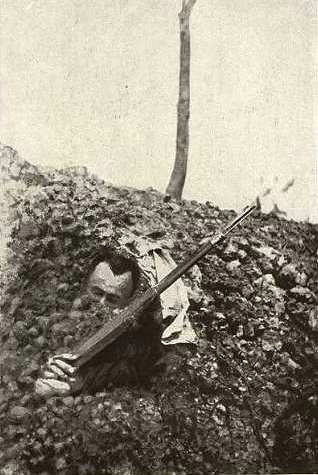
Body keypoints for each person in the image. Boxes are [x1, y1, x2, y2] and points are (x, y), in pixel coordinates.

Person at [35, 237, 197, 398]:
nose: (101, 303)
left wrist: (75, 383)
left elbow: (122, 373)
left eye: (112, 299)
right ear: (84, 284)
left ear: (128, 302)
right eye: (96, 292)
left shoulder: (132, 346)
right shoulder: (53, 305)